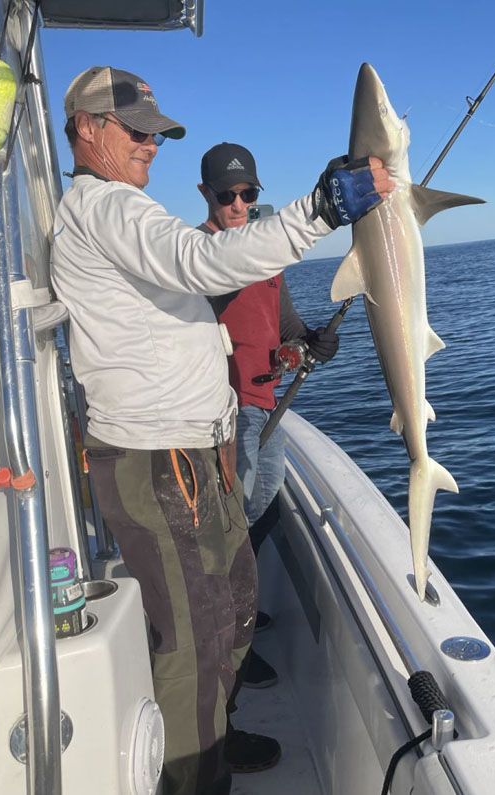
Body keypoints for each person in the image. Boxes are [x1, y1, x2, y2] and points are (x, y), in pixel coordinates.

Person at [50, 65, 390, 795]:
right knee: (196, 640)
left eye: (156, 133)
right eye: (135, 130)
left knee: (235, 599)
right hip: (157, 458)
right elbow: (205, 263)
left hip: (199, 452)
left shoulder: (124, 213)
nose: (150, 144)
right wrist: (320, 209)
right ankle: (192, 778)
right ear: (86, 128)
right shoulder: (106, 209)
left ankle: (217, 734)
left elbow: (207, 288)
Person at [197, 142, 340, 695]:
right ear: (207, 195)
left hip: (267, 405)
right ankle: (230, 647)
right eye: (227, 195)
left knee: (261, 514)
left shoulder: (266, 254)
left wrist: (310, 339)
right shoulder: (198, 256)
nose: (238, 204)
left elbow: (283, 324)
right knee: (231, 529)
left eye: (248, 194)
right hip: (226, 415)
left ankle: (241, 618)